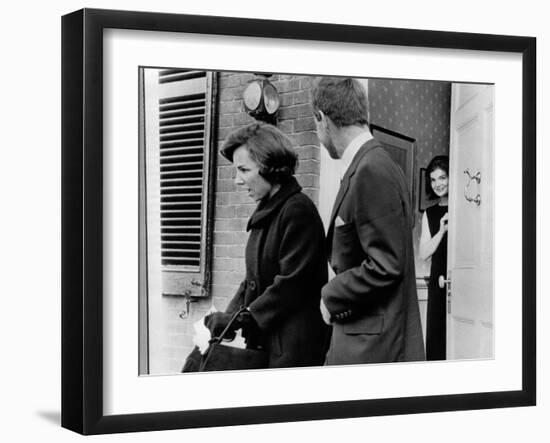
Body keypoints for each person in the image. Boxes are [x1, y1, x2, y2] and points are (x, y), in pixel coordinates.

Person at [312, 77, 425, 364]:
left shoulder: (371, 169)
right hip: (364, 339)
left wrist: (331, 295)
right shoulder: (372, 164)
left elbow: (387, 264)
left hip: (372, 347)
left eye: (316, 126)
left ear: (322, 119)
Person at [204, 122, 330, 368]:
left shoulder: (297, 210)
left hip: (293, 348)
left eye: (243, 170)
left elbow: (291, 284)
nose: (238, 181)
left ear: (270, 168)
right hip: (269, 342)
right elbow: (251, 280)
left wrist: (244, 318)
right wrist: (229, 316)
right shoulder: (267, 211)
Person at [419, 155, 450, 361]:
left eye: (442, 178)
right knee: (437, 342)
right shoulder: (429, 214)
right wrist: (441, 231)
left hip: (459, 282)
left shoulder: (465, 208)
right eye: (433, 179)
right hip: (438, 284)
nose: (437, 184)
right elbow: (423, 254)